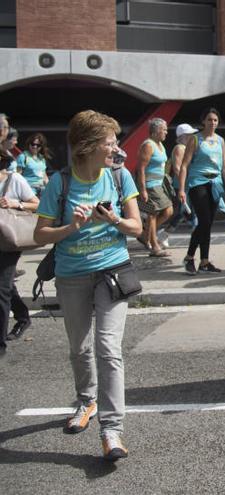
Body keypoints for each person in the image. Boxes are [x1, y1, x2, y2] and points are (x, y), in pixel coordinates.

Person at [33, 110, 143, 460]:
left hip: (112, 271)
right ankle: (87, 401)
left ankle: (112, 431)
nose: (115, 148)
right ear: (88, 146)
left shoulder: (120, 176)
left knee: (108, 348)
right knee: (79, 348)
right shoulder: (60, 183)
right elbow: (39, 235)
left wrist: (113, 218)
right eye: (109, 142)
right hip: (72, 274)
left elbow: (137, 228)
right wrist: (72, 228)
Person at [177, 108, 225, 275]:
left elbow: (224, 167)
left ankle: (204, 261)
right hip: (198, 182)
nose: (212, 123)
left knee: (207, 224)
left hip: (215, 183)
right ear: (203, 121)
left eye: (215, 120)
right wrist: (182, 189)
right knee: (203, 221)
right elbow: (184, 165)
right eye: (209, 119)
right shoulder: (196, 139)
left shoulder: (221, 141)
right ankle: (189, 257)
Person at [0, 152, 39, 357]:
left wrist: (15, 204)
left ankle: (1, 346)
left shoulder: (14, 179)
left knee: (1, 290)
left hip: (7, 241)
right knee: (4, 286)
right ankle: (23, 316)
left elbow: (37, 204)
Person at [135, 118, 173, 257]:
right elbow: (141, 169)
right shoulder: (148, 145)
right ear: (156, 131)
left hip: (159, 184)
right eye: (164, 129)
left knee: (168, 211)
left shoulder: (160, 144)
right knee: (152, 214)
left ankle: (145, 235)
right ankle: (154, 246)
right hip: (150, 185)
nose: (166, 132)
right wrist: (143, 189)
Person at [166, 123, 197, 231]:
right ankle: (197, 228)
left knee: (184, 210)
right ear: (182, 136)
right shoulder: (180, 148)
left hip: (186, 184)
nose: (192, 137)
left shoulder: (186, 148)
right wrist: (183, 186)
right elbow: (177, 168)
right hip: (181, 185)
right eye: (189, 135)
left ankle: (165, 233)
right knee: (185, 210)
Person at [12, 133, 51, 197]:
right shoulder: (23, 157)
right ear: (29, 144)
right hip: (29, 189)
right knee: (34, 205)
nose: (35, 146)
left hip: (42, 189)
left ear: (41, 147)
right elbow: (17, 176)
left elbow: (44, 176)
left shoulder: (42, 158)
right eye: (33, 144)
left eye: (38, 145)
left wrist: (49, 188)